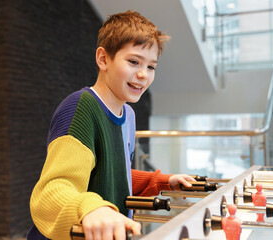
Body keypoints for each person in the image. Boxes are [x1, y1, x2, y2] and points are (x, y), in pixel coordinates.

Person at [28, 10, 195, 240]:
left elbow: (114, 174)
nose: (142, 74)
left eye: (151, 67)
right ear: (103, 59)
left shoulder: (128, 115)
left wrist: (161, 181)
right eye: (134, 61)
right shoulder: (80, 107)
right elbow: (52, 190)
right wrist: (91, 208)